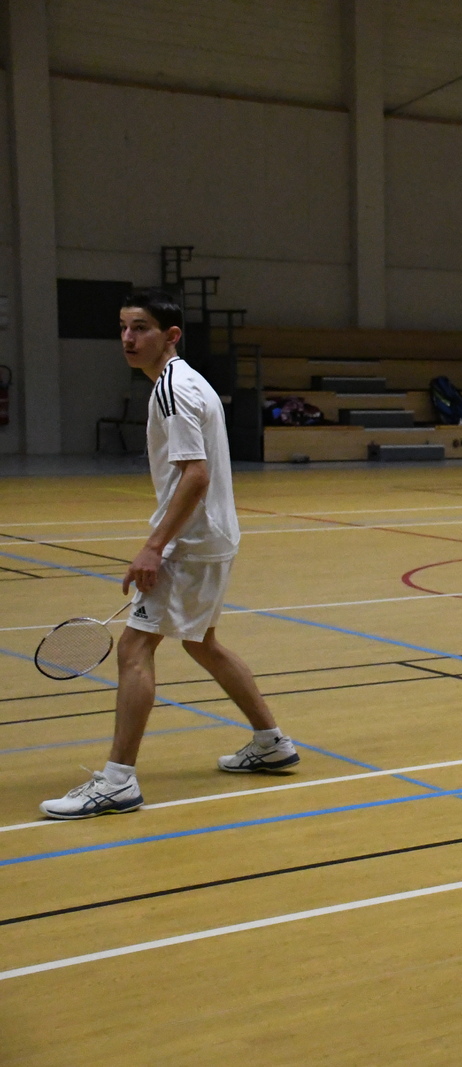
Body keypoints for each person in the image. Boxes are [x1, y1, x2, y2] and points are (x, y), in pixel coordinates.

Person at [41, 289, 298, 819]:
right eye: (123, 328)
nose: (128, 338)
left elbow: (195, 476)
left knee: (134, 648)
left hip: (190, 543)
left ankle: (118, 782)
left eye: (140, 328)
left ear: (171, 335)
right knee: (202, 643)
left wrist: (154, 547)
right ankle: (271, 743)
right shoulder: (186, 382)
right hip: (211, 538)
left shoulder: (172, 390)